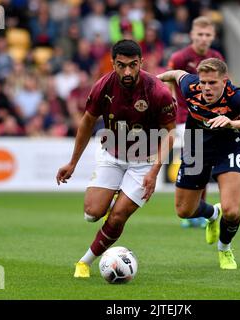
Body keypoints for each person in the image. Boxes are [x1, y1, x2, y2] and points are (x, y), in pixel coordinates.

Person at [56, 39, 177, 278]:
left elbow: (170, 134)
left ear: (142, 62)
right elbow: (87, 123)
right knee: (91, 213)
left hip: (144, 161)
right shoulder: (102, 87)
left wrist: (154, 172)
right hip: (111, 155)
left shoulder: (157, 91)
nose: (128, 71)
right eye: (121, 65)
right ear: (112, 63)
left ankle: (84, 262)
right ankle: (115, 198)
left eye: (133, 65)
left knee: (118, 216)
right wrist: (72, 163)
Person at [157, 58, 240, 269]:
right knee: (183, 210)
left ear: (225, 81)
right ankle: (212, 214)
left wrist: (232, 122)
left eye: (212, 83)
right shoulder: (190, 86)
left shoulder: (236, 96)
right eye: (204, 82)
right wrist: (156, 79)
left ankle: (224, 249)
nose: (206, 88)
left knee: (232, 211)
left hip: (228, 147)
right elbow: (176, 73)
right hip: (196, 147)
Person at [167, 16, 224, 229]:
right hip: (185, 118)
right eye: (200, 34)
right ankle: (191, 210)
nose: (203, 38)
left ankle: (197, 209)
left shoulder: (216, 56)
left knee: (202, 164)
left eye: (207, 35)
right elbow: (170, 81)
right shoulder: (181, 57)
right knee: (195, 163)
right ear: (192, 35)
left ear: (213, 36)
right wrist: (172, 104)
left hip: (208, 118)